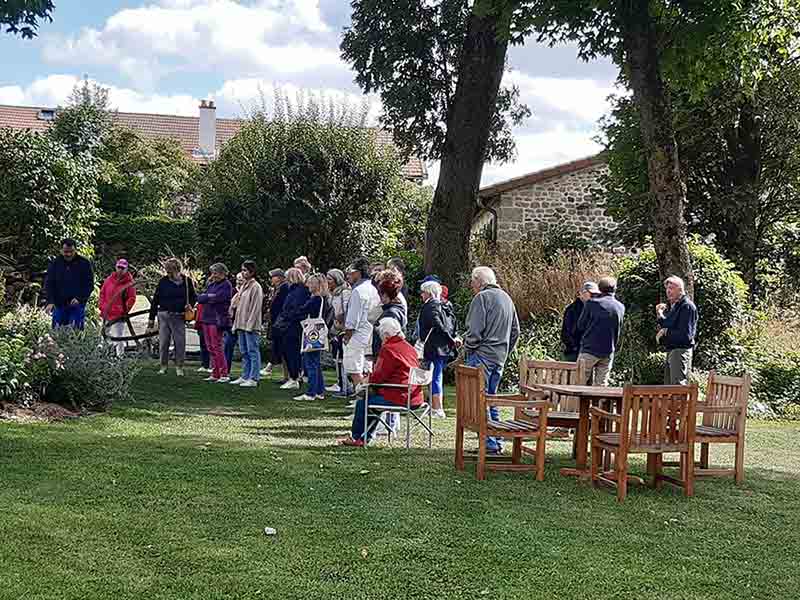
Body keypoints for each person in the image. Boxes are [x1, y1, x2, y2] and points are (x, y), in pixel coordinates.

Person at [462, 266, 520, 454]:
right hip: (499, 357)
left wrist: (468, 348)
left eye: (472, 281)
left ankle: (490, 443)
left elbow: (475, 331)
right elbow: (515, 332)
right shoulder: (507, 298)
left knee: (480, 400)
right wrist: (505, 351)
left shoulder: (482, 298)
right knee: (491, 398)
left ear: (479, 281)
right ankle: (496, 439)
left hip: (482, 355)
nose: (471, 285)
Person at [338, 318, 423, 447]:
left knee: (363, 401)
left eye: (381, 336)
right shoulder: (409, 347)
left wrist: (366, 380)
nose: (380, 339)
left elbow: (379, 377)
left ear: (387, 336)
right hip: (415, 396)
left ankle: (357, 438)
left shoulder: (389, 349)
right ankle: (364, 437)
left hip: (400, 396)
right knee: (371, 401)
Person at [148, 258, 197, 376]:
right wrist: (151, 318)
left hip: (179, 316)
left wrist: (189, 304)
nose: (168, 274)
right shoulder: (163, 281)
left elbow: (193, 296)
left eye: (170, 271)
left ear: (177, 270)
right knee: (164, 342)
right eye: (167, 271)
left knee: (180, 342)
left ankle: (179, 366)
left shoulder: (187, 281)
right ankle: (163, 366)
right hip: (164, 314)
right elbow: (155, 300)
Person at [419, 280, 458, 419]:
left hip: (433, 347)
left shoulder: (431, 305)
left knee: (434, 377)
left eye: (423, 292)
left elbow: (436, 323)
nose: (421, 295)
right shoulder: (445, 305)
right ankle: (435, 406)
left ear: (429, 292)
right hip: (441, 347)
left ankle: (437, 408)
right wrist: (451, 338)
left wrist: (449, 338)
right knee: (435, 376)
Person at [576, 276, 625, 386]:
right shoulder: (620, 307)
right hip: (608, 351)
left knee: (578, 383)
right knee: (601, 387)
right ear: (615, 289)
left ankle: (575, 404)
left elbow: (580, 325)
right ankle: (599, 404)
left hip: (589, 349)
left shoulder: (592, 304)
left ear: (600, 289)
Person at [343, 258, 381, 393]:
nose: (349, 276)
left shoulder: (358, 291)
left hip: (358, 334)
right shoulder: (373, 289)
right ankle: (365, 398)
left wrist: (347, 336)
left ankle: (361, 398)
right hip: (371, 332)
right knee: (365, 368)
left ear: (358, 273)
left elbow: (353, 318)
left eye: (351, 273)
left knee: (354, 368)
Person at [293, 273, 332, 401]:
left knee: (311, 363)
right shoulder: (321, 299)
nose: (308, 285)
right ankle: (319, 391)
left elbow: (303, 310)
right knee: (315, 363)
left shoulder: (315, 299)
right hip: (317, 331)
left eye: (310, 283)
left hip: (312, 332)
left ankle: (311, 392)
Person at [656, 275, 698, 385]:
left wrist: (666, 332)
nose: (668, 291)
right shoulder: (676, 306)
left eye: (671, 288)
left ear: (680, 290)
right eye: (667, 288)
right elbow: (667, 324)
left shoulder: (686, 306)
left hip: (680, 351)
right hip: (672, 350)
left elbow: (686, 335)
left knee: (677, 388)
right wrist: (660, 314)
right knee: (668, 388)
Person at [45, 238, 94, 330]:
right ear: (61, 251)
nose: (69, 254)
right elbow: (49, 284)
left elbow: (89, 284)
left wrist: (80, 298)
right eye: (66, 252)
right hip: (59, 304)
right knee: (57, 332)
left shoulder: (84, 263)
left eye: (71, 251)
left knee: (76, 333)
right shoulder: (55, 263)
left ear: (75, 250)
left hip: (77, 305)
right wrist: (50, 301)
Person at [273, 268, 310, 390]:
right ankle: (293, 376)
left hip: (293, 326)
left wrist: (286, 316)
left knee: (292, 352)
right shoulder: (294, 290)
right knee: (288, 351)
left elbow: (296, 309)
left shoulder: (300, 291)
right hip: (289, 324)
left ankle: (294, 378)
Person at [197, 263, 233, 383]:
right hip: (206, 318)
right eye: (212, 273)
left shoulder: (226, 285)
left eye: (215, 273)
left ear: (222, 273)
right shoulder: (211, 284)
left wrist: (208, 297)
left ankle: (224, 373)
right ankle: (215, 372)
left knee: (217, 346)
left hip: (216, 319)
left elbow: (220, 298)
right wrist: (208, 296)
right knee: (210, 347)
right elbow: (201, 298)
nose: (213, 275)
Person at [230, 261, 264, 388]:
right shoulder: (244, 286)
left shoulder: (256, 287)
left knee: (252, 351)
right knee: (244, 351)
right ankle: (245, 375)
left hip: (250, 325)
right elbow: (236, 304)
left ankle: (254, 377)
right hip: (241, 324)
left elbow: (256, 308)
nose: (243, 272)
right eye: (242, 270)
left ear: (252, 272)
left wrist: (250, 325)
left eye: (245, 270)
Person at [98, 259, 137, 357]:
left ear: (126, 269)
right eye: (119, 267)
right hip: (106, 313)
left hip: (118, 315)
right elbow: (102, 293)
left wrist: (122, 310)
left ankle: (120, 357)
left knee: (118, 336)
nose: (120, 270)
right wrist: (102, 306)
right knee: (103, 335)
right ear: (116, 267)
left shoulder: (129, 283)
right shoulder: (109, 279)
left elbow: (131, 299)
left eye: (122, 268)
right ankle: (103, 355)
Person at [326, 269, 352, 395]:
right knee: (337, 356)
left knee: (342, 357)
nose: (327, 281)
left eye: (330, 279)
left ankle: (346, 386)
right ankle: (340, 383)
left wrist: (342, 321)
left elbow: (347, 309)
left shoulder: (345, 292)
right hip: (335, 328)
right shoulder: (332, 294)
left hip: (343, 328)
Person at [561, 281, 600, 362]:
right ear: (583, 293)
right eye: (592, 294)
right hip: (574, 352)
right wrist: (574, 347)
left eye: (596, 295)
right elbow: (569, 332)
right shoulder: (572, 309)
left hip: (590, 352)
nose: (594, 297)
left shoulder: (594, 308)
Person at [265, 269, 290, 380]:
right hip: (276, 322)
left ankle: (289, 376)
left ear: (280, 277)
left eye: (273, 277)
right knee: (281, 349)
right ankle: (285, 376)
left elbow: (279, 305)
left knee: (284, 350)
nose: (272, 279)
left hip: (280, 322)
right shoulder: (276, 288)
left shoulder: (284, 288)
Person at [224, 272, 245, 374]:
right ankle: (225, 370)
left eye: (241, 279)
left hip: (243, 323)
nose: (239, 281)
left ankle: (246, 373)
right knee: (228, 346)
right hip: (231, 324)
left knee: (245, 349)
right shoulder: (232, 291)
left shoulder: (247, 291)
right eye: (238, 279)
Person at [195, 302, 211, 373]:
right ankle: (205, 365)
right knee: (203, 346)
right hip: (201, 325)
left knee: (210, 346)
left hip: (207, 323)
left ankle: (210, 365)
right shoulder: (200, 301)